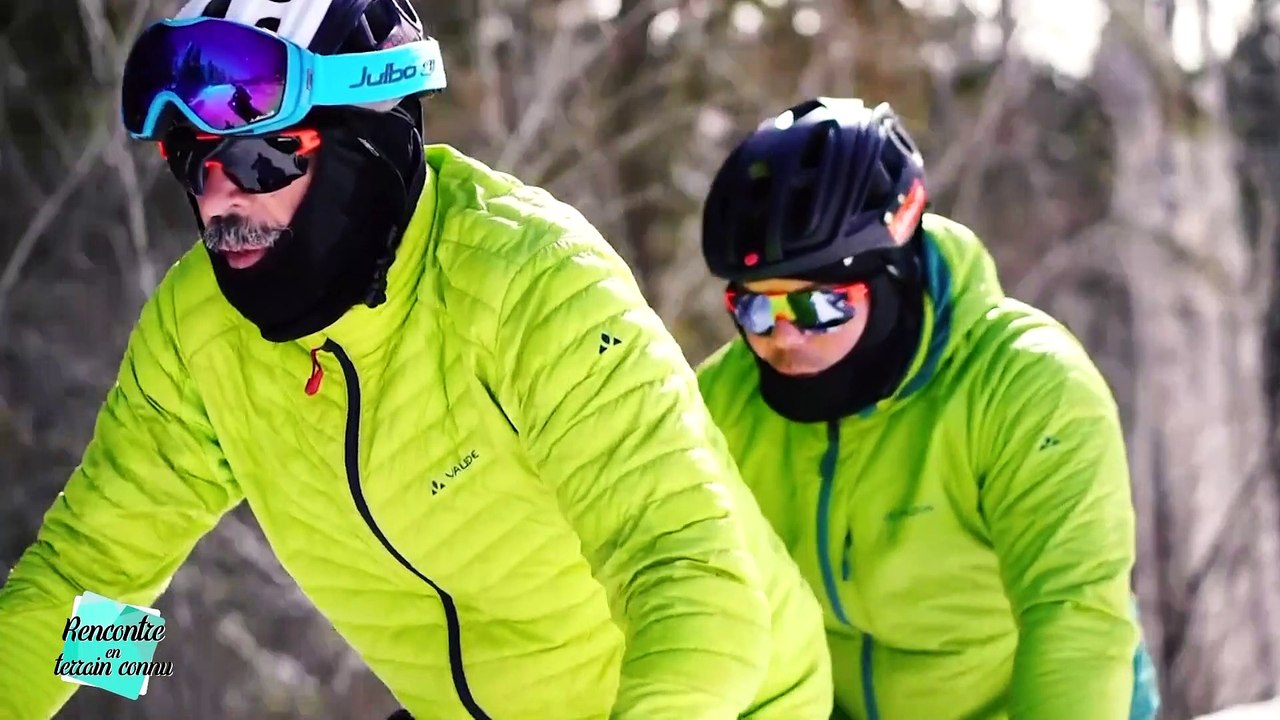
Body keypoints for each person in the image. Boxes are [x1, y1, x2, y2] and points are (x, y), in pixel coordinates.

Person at [0, 2, 834, 718]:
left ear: (368, 142)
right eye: (194, 163)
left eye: (262, 158)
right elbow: (94, 587)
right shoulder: (204, 335)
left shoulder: (531, 287)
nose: (219, 199)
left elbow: (691, 581)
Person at [694, 96, 1163, 720]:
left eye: (817, 306)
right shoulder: (725, 405)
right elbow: (706, 608)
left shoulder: (1027, 387)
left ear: (891, 275)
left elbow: (1073, 619)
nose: (782, 336)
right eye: (753, 307)